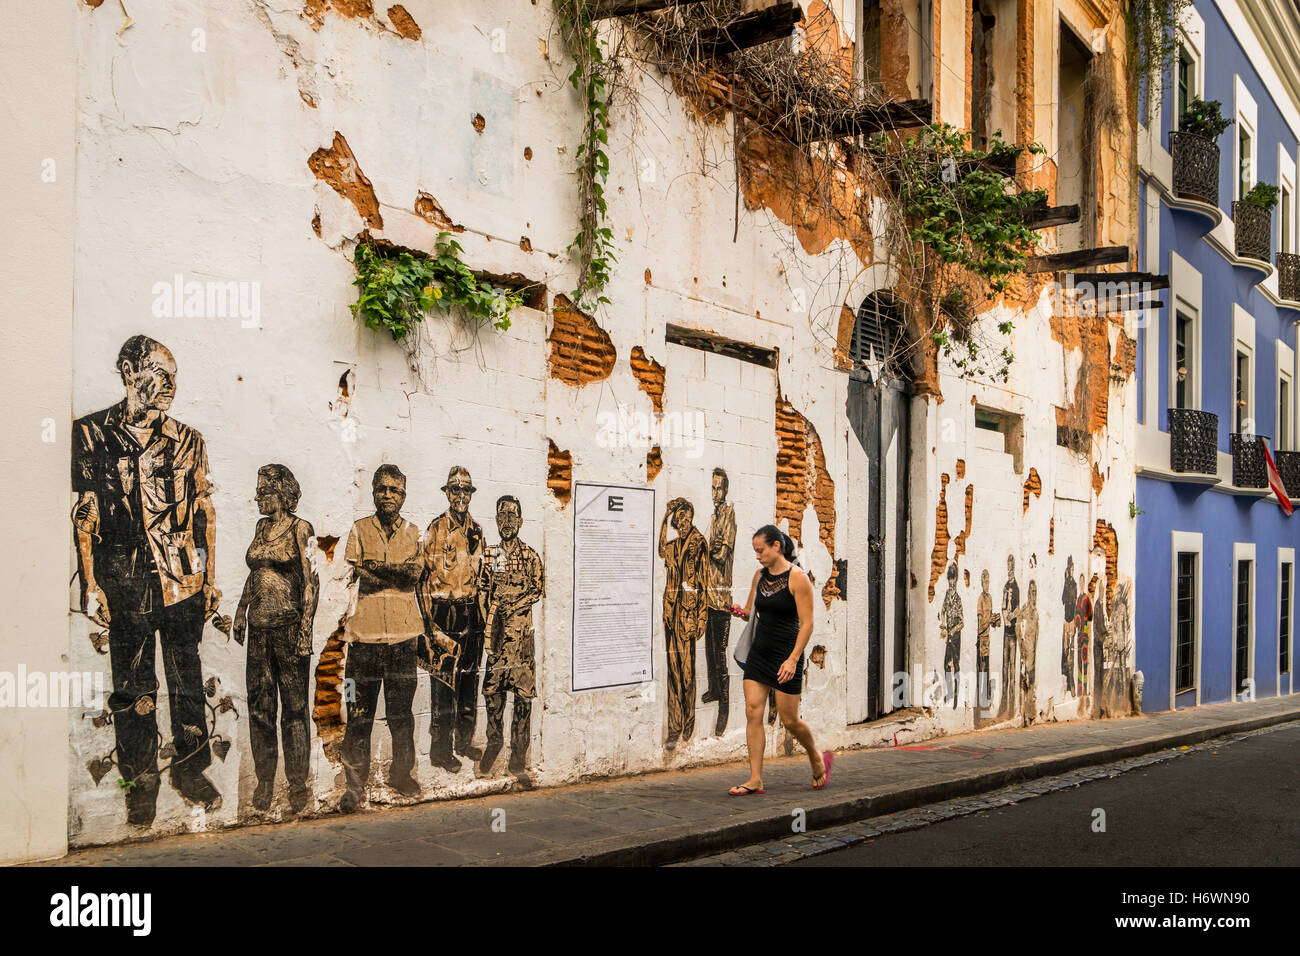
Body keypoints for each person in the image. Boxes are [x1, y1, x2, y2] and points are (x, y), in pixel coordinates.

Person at [71, 335, 222, 826]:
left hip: (181, 578)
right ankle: (139, 783)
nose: (171, 385)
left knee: (186, 681)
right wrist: (89, 582)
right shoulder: (91, 433)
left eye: (175, 376)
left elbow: (202, 512)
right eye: (161, 372)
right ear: (129, 370)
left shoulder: (189, 439)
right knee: (132, 687)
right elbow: (86, 511)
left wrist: (210, 578)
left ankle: (191, 769)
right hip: (124, 576)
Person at [232, 464, 319, 814]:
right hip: (260, 631)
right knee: (260, 707)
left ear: (283, 493)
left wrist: (305, 630)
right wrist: (241, 610)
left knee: (295, 710)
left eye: (263, 491)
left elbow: (312, 582)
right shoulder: (260, 527)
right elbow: (257, 575)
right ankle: (265, 780)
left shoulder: (301, 528)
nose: (257, 497)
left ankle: (297, 783)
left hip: (288, 629)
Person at [339, 464, 423, 811]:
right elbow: (355, 573)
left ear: (403, 495)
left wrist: (376, 566)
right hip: (362, 643)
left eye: (395, 490)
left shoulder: (415, 532)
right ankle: (354, 787)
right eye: (381, 489)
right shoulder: (359, 529)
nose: (387, 495)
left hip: (404, 641)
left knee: (402, 715)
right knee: (357, 713)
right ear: (373, 492)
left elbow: (413, 576)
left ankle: (401, 775)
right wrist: (388, 572)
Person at [728, 525, 832, 795]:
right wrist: (739, 611)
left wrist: (793, 660)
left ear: (776, 546)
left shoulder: (798, 579)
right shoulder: (759, 576)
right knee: (753, 710)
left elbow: (807, 624)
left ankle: (815, 757)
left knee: (789, 719)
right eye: (755, 551)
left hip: (787, 655)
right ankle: (755, 779)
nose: (758, 556)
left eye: (760, 550)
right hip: (760, 653)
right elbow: (751, 611)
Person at [417, 466, 486, 771]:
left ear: (471, 495)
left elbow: (482, 575)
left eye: (466, 491)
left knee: (469, 679)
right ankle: (440, 750)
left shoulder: (477, 530)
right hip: (444, 611)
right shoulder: (435, 529)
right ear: (447, 493)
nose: (461, 496)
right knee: (443, 684)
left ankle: (464, 741)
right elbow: (420, 579)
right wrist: (428, 625)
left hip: (471, 611)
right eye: (455, 490)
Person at [479, 495, 544, 775]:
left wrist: (514, 605)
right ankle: (494, 743)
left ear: (520, 521)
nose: (506, 522)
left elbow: (537, 589)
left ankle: (519, 754)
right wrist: (488, 619)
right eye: (501, 516)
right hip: (497, 637)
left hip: (521, 638)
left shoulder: (530, 556)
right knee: (492, 694)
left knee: (523, 698)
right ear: (496, 520)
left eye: (512, 516)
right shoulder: (490, 554)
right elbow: (482, 588)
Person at [659, 497, 708, 750]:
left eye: (684, 518)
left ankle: (689, 722)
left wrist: (702, 617)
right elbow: (659, 550)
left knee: (687, 673)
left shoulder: (699, 543)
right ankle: (674, 727)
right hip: (671, 613)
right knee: (673, 673)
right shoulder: (674, 544)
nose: (681, 523)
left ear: (691, 517)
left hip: (689, 614)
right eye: (677, 519)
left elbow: (705, 581)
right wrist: (664, 517)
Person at [702, 468, 737, 736]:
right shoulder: (714, 518)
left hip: (723, 600)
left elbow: (721, 554)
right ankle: (714, 690)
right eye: (712, 488)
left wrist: (709, 548)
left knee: (720, 654)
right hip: (708, 596)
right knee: (709, 650)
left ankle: (725, 707)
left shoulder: (729, 515)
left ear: (726, 490)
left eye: (719, 489)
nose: (715, 493)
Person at [998, 554, 1020, 719]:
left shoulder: (1016, 587)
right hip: (1006, 631)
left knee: (1012, 668)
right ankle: (1004, 702)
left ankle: (1012, 705)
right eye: (1008, 566)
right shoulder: (1006, 586)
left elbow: (1017, 608)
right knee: (1005, 667)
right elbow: (1003, 606)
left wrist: (1011, 616)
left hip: (1013, 633)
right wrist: (1005, 616)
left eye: (1011, 566)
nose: (1010, 569)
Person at [940, 562, 963, 709]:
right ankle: (950, 691)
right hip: (948, 634)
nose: (951, 582)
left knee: (955, 664)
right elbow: (943, 611)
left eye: (953, 579)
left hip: (955, 635)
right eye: (950, 579)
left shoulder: (958, 599)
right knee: (946, 664)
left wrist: (952, 631)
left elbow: (962, 622)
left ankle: (956, 694)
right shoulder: (947, 595)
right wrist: (943, 626)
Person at [1061, 557, 1077, 696]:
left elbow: (1073, 601)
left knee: (1070, 654)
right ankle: (1067, 683)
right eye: (1070, 569)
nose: (1071, 571)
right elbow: (1063, 600)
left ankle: (1071, 685)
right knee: (1065, 653)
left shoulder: (1075, 585)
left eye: (1072, 569)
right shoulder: (1067, 584)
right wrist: (1065, 583)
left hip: (1071, 621)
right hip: (1066, 621)